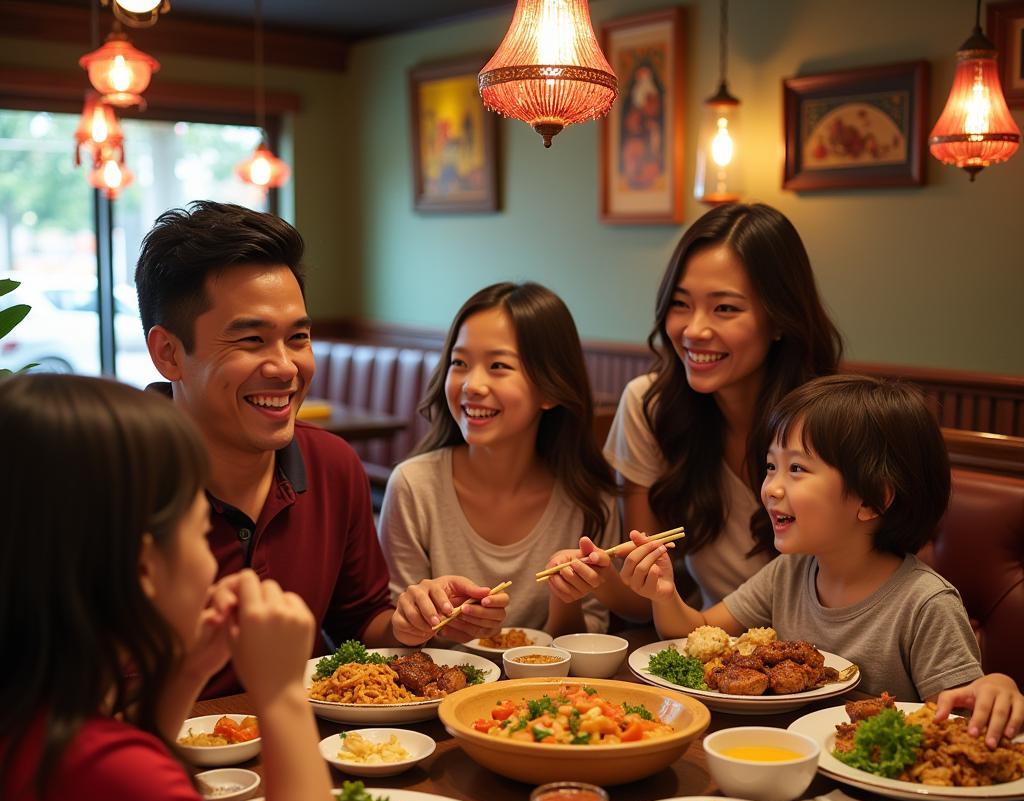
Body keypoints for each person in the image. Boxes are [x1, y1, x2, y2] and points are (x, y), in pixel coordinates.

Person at [0, 375, 345, 801]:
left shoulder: (36, 709)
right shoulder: (84, 768)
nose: (215, 561)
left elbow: (115, 782)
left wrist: (182, 677)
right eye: (197, 529)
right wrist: (280, 695)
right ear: (142, 568)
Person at [137, 202, 506, 696]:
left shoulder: (332, 466)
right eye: (251, 339)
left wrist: (416, 621)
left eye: (299, 337)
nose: (286, 367)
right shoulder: (112, 485)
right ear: (169, 353)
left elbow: (360, 620)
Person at [620, 374, 1024, 746]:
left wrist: (996, 687)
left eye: (797, 469)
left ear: (872, 499)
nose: (771, 489)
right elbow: (700, 634)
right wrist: (664, 594)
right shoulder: (792, 571)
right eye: (770, 467)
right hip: (787, 754)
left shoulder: (925, 603)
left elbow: (960, 719)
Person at [602, 202, 843, 612]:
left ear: (781, 318)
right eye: (680, 304)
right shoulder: (650, 406)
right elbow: (645, 598)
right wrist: (593, 579)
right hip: (707, 654)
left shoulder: (836, 422)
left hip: (827, 657)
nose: (694, 330)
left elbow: (885, 587)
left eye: (725, 308)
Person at [379, 282, 620, 636]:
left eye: (498, 365)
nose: (472, 385)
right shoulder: (414, 486)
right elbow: (395, 632)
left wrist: (565, 595)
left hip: (550, 689)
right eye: (459, 362)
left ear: (550, 389)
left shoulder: (587, 498)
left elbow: (585, 642)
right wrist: (419, 619)